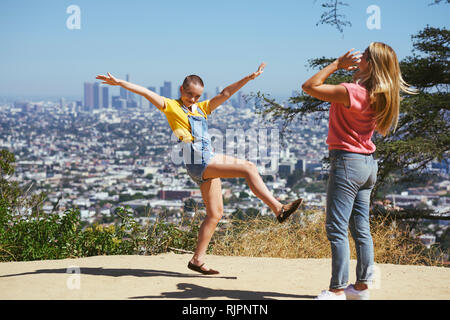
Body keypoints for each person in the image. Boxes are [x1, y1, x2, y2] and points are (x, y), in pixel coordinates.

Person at [96, 63, 303, 275]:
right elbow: (146, 92)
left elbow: (226, 93)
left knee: (215, 214)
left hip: (205, 160)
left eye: (197, 96)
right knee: (248, 167)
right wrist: (119, 82)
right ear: (181, 90)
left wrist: (249, 78)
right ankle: (279, 209)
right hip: (200, 162)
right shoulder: (171, 106)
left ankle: (197, 260)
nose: (193, 99)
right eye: (189, 95)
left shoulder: (202, 109)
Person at [301, 43, 416, 300]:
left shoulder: (353, 92)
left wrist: (335, 65)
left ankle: (337, 290)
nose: (359, 58)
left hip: (347, 163)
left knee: (336, 228)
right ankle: (361, 287)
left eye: (364, 56)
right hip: (368, 164)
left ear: (371, 64)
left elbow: (309, 86)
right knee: (361, 227)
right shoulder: (381, 94)